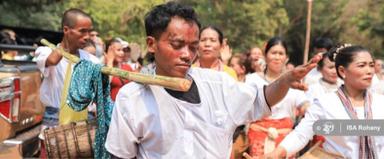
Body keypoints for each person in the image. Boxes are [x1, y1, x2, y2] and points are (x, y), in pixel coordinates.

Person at [104, 2, 320, 158]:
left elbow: (260, 100)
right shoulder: (132, 97)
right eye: (177, 45)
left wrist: (284, 82)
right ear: (152, 44)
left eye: (193, 46)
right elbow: (121, 155)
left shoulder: (219, 84)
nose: (187, 55)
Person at [269, 45, 384, 159]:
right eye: (362, 65)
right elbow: (301, 134)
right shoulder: (326, 103)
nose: (369, 71)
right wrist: (277, 153)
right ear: (342, 71)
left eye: (371, 65)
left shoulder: (380, 102)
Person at [34, 8, 99, 157]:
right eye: (82, 31)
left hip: (82, 131)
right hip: (53, 128)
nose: (87, 37)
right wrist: (66, 46)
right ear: (66, 30)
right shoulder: (45, 52)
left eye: (89, 32)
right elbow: (52, 61)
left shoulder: (92, 61)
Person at [245, 37, 309, 157]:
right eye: (273, 53)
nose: (277, 57)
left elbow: (304, 104)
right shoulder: (252, 80)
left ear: (286, 58)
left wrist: (311, 109)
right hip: (258, 139)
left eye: (281, 54)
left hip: (285, 142)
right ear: (265, 56)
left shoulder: (293, 81)